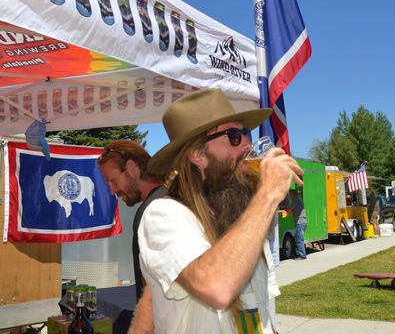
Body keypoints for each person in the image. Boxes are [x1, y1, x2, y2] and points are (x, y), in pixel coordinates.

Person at [133, 88, 303, 334]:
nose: (248, 144)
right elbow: (217, 287)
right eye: (234, 136)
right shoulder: (163, 214)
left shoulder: (243, 219)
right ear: (198, 155)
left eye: (246, 133)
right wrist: (267, 195)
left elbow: (263, 314)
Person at [97, 140, 166, 302]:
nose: (112, 190)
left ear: (131, 168)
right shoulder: (163, 201)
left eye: (113, 180)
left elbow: (152, 288)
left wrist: (142, 327)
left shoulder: (154, 210)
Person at [287, 189, 307, 260]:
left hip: (300, 223)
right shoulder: (299, 200)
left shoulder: (296, 200)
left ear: (293, 194)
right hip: (302, 222)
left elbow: (290, 210)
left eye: (290, 195)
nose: (289, 196)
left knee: (299, 240)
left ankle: (302, 256)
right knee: (298, 239)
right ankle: (299, 254)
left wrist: (286, 210)